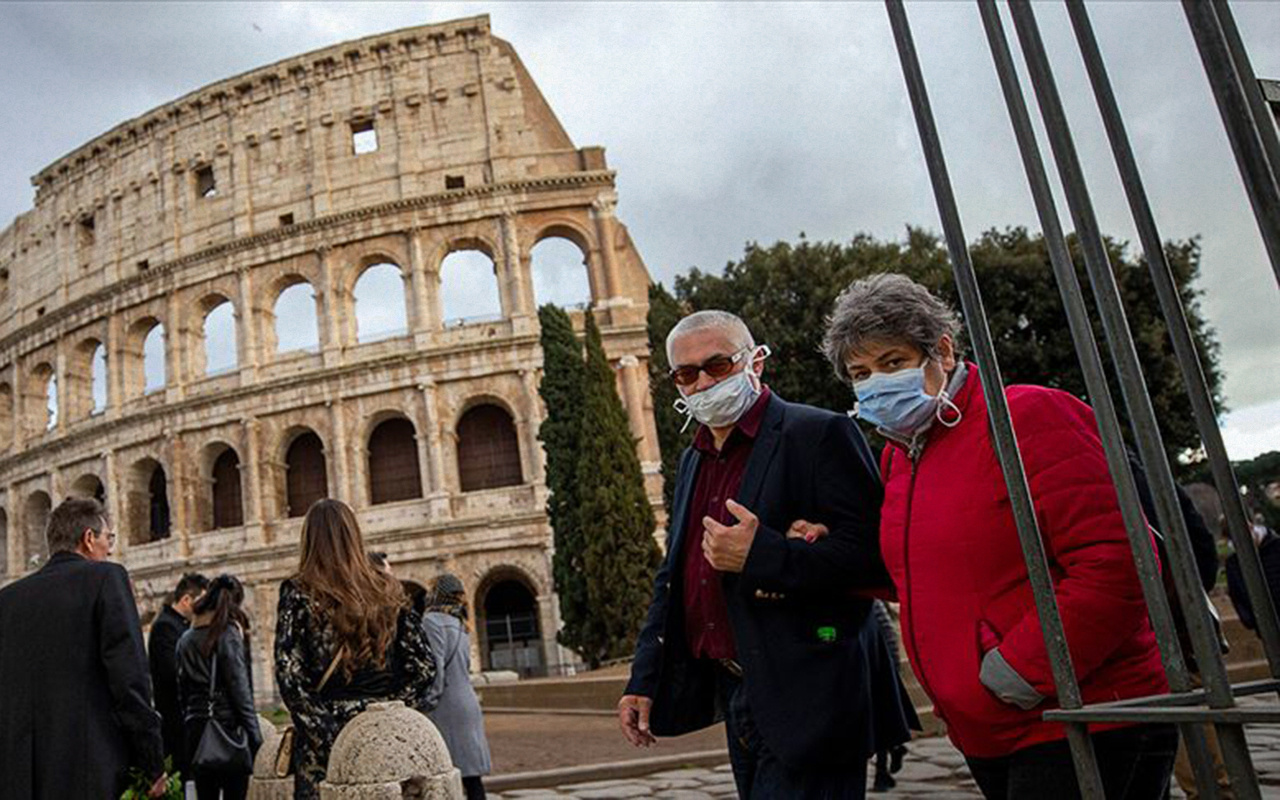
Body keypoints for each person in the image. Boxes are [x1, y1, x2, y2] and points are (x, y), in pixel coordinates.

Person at [805, 273, 1175, 799]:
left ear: (944, 351)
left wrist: (1016, 674)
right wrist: (825, 547)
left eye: (892, 362)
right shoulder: (902, 455)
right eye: (860, 373)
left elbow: (1119, 561)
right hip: (988, 730)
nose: (876, 384)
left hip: (1083, 714)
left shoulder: (1026, 416)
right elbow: (922, 571)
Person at [618, 309, 909, 798]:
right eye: (688, 374)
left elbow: (877, 560)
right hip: (737, 688)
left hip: (811, 689)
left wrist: (765, 553)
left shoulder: (819, 434)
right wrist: (644, 677)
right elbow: (675, 575)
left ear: (755, 362)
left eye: (719, 365)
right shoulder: (694, 458)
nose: (705, 382)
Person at [0, 497, 169, 798]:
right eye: (109, 538)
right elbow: (130, 680)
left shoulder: (8, 599)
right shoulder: (106, 578)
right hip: (88, 769)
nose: (111, 548)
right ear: (89, 539)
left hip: (19, 775)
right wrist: (152, 761)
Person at [274, 499, 436, 799]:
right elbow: (424, 667)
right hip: (386, 738)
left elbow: (290, 676)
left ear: (309, 539)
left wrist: (330, 735)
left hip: (324, 747)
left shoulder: (299, 591)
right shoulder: (386, 588)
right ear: (354, 535)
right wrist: (391, 713)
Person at [176, 574, 262, 800]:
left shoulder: (185, 638)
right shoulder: (227, 633)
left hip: (197, 730)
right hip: (227, 729)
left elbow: (182, 691)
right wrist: (255, 736)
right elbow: (239, 688)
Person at [422, 573, 492, 800]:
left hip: (447, 706)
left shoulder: (432, 621)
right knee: (472, 779)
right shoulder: (460, 623)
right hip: (467, 702)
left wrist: (426, 703)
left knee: (444, 777)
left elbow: (437, 669)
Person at [150, 571, 210, 778]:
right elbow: (172, 671)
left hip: (186, 717)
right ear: (186, 600)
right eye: (201, 601)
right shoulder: (165, 627)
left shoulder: (179, 625)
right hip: (177, 720)